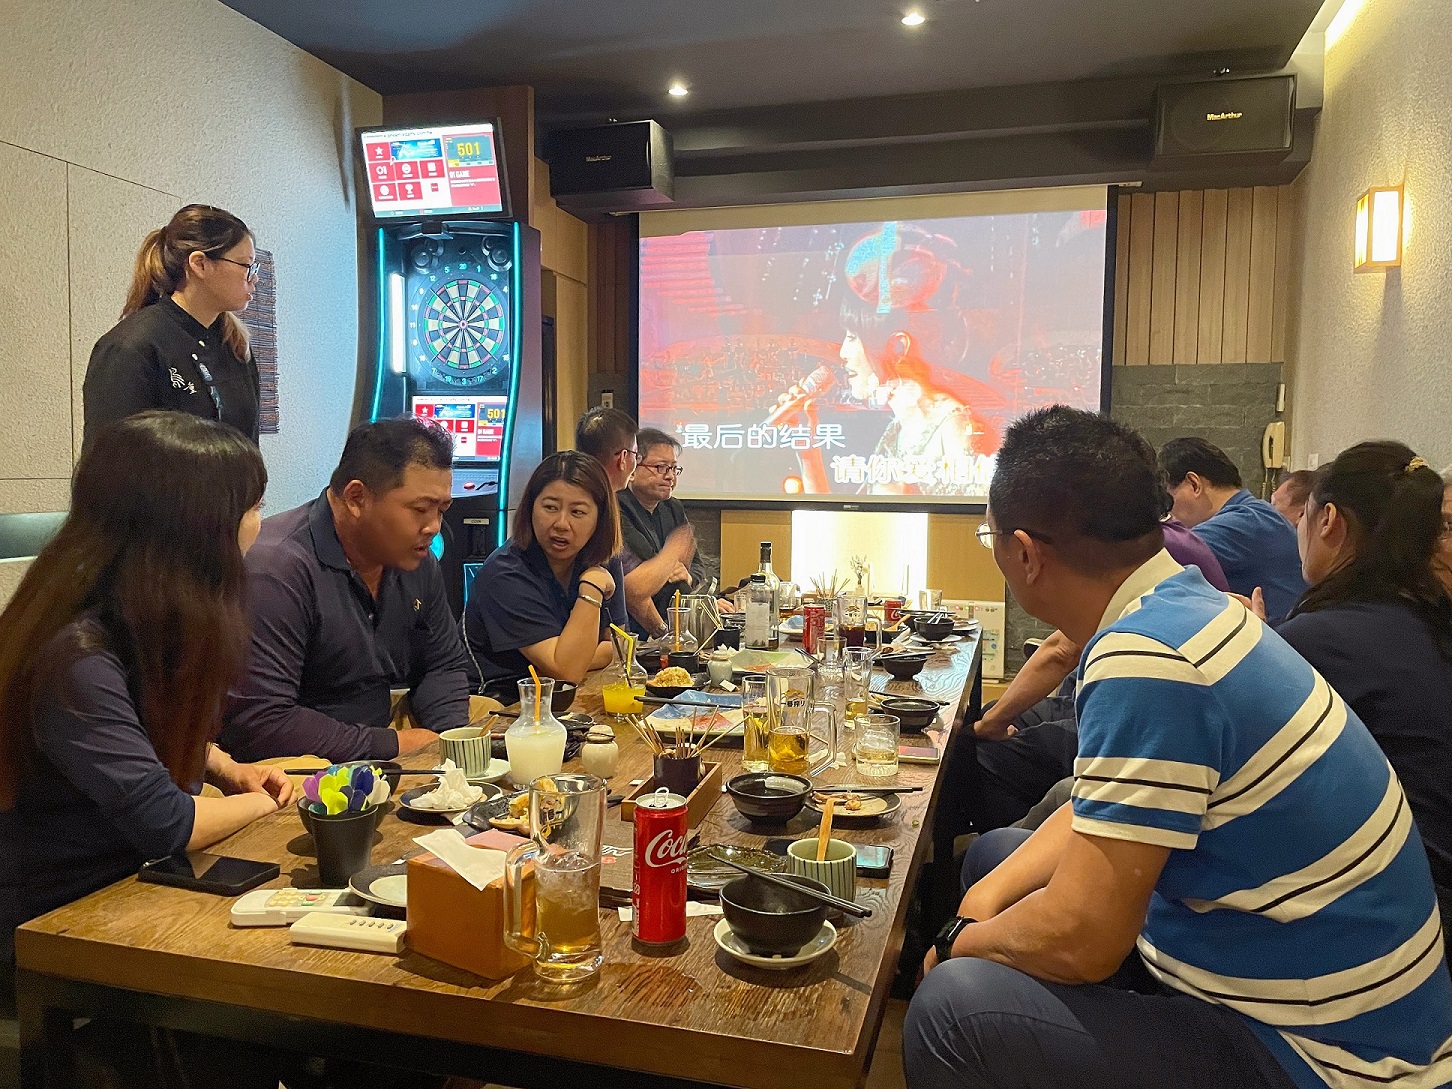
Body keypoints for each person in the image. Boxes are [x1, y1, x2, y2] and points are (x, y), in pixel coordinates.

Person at [907, 406, 1452, 1089]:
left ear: (1025, 552)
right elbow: (1099, 803)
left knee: (951, 1009)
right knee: (996, 858)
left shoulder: (1147, 657)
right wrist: (986, 897)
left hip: (1331, 1056)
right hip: (1293, 982)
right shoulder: (1189, 604)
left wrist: (956, 940)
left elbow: (1084, 938)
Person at [0, 414, 289, 1034]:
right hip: (55, 923)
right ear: (196, 528)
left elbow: (136, 725)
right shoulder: (75, 656)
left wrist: (225, 766)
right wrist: (269, 802)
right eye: (253, 506)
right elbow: (168, 823)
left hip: (122, 891)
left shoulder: (129, 616)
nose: (261, 523)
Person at [1253, 444, 1452, 933]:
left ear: (1328, 521)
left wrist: (1256, 653)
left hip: (1392, 911)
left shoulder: (1321, 638)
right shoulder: (1423, 617)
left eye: (1302, 517)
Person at [968, 491, 1230, 831]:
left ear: (1025, 553)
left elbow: (1062, 652)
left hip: (1149, 728)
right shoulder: (1160, 552)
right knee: (992, 719)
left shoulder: (1137, 645)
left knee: (981, 755)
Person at [221, 417, 468, 763]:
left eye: (441, 510)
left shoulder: (417, 559)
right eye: (420, 509)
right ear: (356, 498)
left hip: (377, 730)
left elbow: (443, 664)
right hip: (295, 760)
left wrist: (453, 743)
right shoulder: (279, 568)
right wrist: (396, 745)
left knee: (491, 719)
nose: (433, 527)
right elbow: (261, 721)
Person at [783, 224, 1000, 496]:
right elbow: (846, 520)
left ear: (898, 346)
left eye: (852, 337)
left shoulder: (953, 426)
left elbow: (980, 518)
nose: (842, 353)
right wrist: (807, 451)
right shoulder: (899, 429)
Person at [82, 205, 261, 454]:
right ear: (200, 264)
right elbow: (108, 463)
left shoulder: (235, 345)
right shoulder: (133, 346)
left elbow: (249, 451)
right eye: (246, 266)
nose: (254, 278)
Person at [462, 452, 620, 698]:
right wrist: (591, 589)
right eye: (550, 507)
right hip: (500, 702)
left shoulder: (602, 559)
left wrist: (568, 658)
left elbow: (619, 646)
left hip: (562, 697)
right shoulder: (505, 574)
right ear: (530, 508)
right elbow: (567, 671)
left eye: (578, 512)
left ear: (600, 519)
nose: (561, 524)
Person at [1160, 436, 1306, 620]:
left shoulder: (1244, 522)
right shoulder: (1258, 513)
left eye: (1168, 499)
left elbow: (1149, 553)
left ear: (1194, 484)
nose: (1169, 511)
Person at [618, 427, 729, 637]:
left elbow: (698, 567)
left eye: (674, 468)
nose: (670, 476)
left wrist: (688, 576)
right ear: (632, 470)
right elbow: (641, 576)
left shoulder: (672, 507)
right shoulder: (618, 508)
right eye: (660, 467)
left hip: (676, 619)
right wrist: (669, 561)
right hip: (636, 629)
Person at [573, 405, 642, 631]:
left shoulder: (603, 502)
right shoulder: (603, 512)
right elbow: (618, 633)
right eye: (635, 455)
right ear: (623, 458)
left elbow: (616, 635)